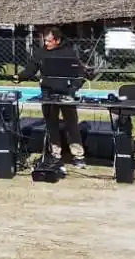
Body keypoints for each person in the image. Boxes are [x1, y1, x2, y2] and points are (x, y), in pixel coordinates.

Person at [15, 26, 86, 168]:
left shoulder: (69, 53)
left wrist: (73, 88)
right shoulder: (40, 53)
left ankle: (78, 155)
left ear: (57, 40)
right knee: (51, 125)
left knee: (71, 125)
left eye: (49, 41)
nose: (46, 44)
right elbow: (30, 70)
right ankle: (55, 154)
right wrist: (19, 77)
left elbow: (81, 74)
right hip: (48, 94)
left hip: (66, 94)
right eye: (44, 41)